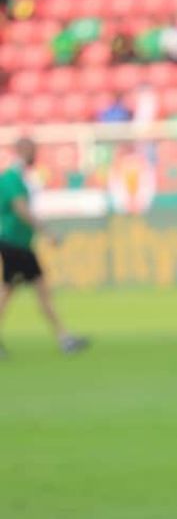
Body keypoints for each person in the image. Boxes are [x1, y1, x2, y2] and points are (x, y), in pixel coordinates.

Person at [0, 137, 89, 357]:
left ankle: (64, 337)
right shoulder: (11, 178)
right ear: (22, 150)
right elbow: (21, 209)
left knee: (12, 291)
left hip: (17, 242)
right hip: (14, 242)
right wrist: (47, 232)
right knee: (37, 290)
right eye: (32, 150)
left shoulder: (17, 178)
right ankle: (64, 338)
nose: (35, 155)